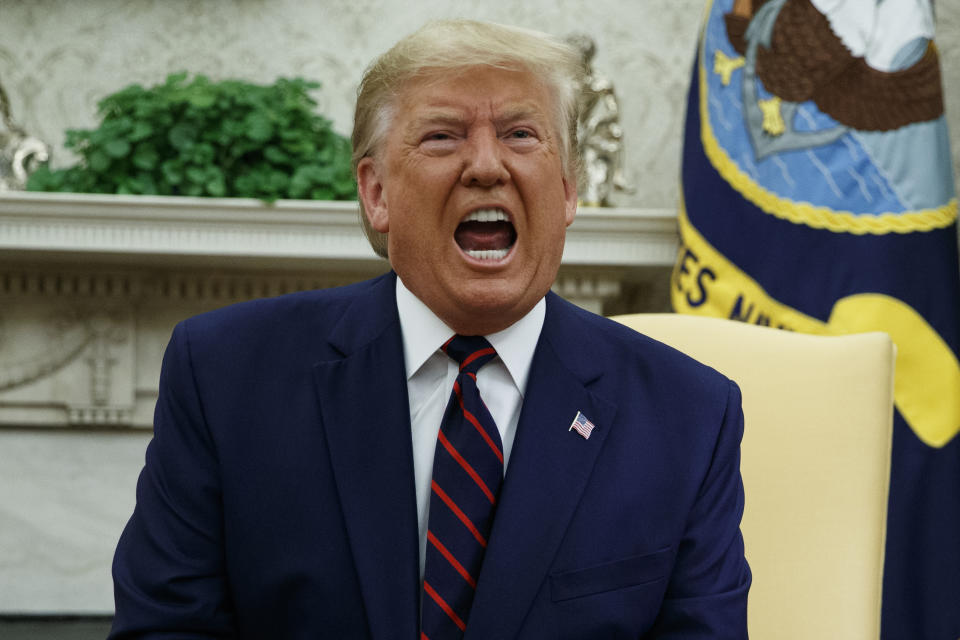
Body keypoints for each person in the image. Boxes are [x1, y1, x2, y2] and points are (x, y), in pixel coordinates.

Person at [110, 19, 750, 639]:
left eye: (520, 134)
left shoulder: (689, 415)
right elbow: (167, 628)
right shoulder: (224, 376)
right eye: (442, 137)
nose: (485, 166)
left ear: (568, 189)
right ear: (376, 193)